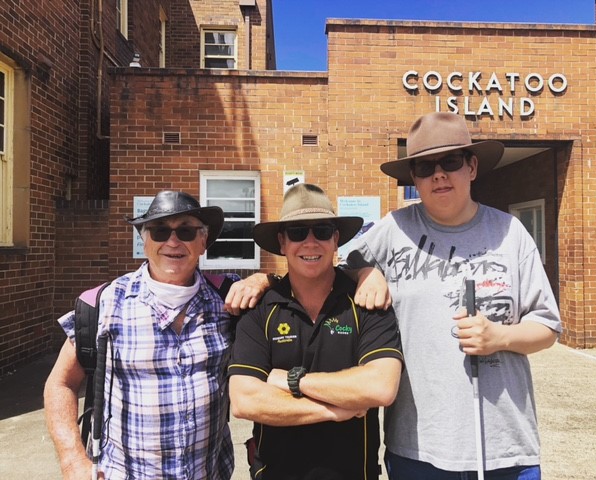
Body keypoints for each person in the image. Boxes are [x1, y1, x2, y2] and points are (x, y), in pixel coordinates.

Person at [345, 112, 563, 480]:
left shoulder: (510, 233)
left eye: (451, 161)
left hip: (503, 449)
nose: (439, 174)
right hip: (419, 449)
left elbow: (547, 327)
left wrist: (500, 337)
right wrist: (367, 271)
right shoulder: (395, 228)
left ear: (472, 166)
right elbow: (338, 262)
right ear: (414, 178)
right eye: (425, 167)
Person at [44, 190, 272, 480]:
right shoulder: (106, 303)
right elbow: (60, 383)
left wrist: (265, 279)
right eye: (160, 230)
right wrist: (72, 459)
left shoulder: (228, 299)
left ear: (203, 242)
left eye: (186, 231)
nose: (173, 241)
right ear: (144, 240)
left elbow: (292, 292)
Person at [228, 183, 404, 480]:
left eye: (322, 231)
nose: (310, 242)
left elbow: (380, 387)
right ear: (282, 242)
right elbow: (246, 400)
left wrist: (291, 380)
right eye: (297, 232)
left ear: (335, 240)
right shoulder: (259, 308)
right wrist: (336, 410)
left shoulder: (368, 301)